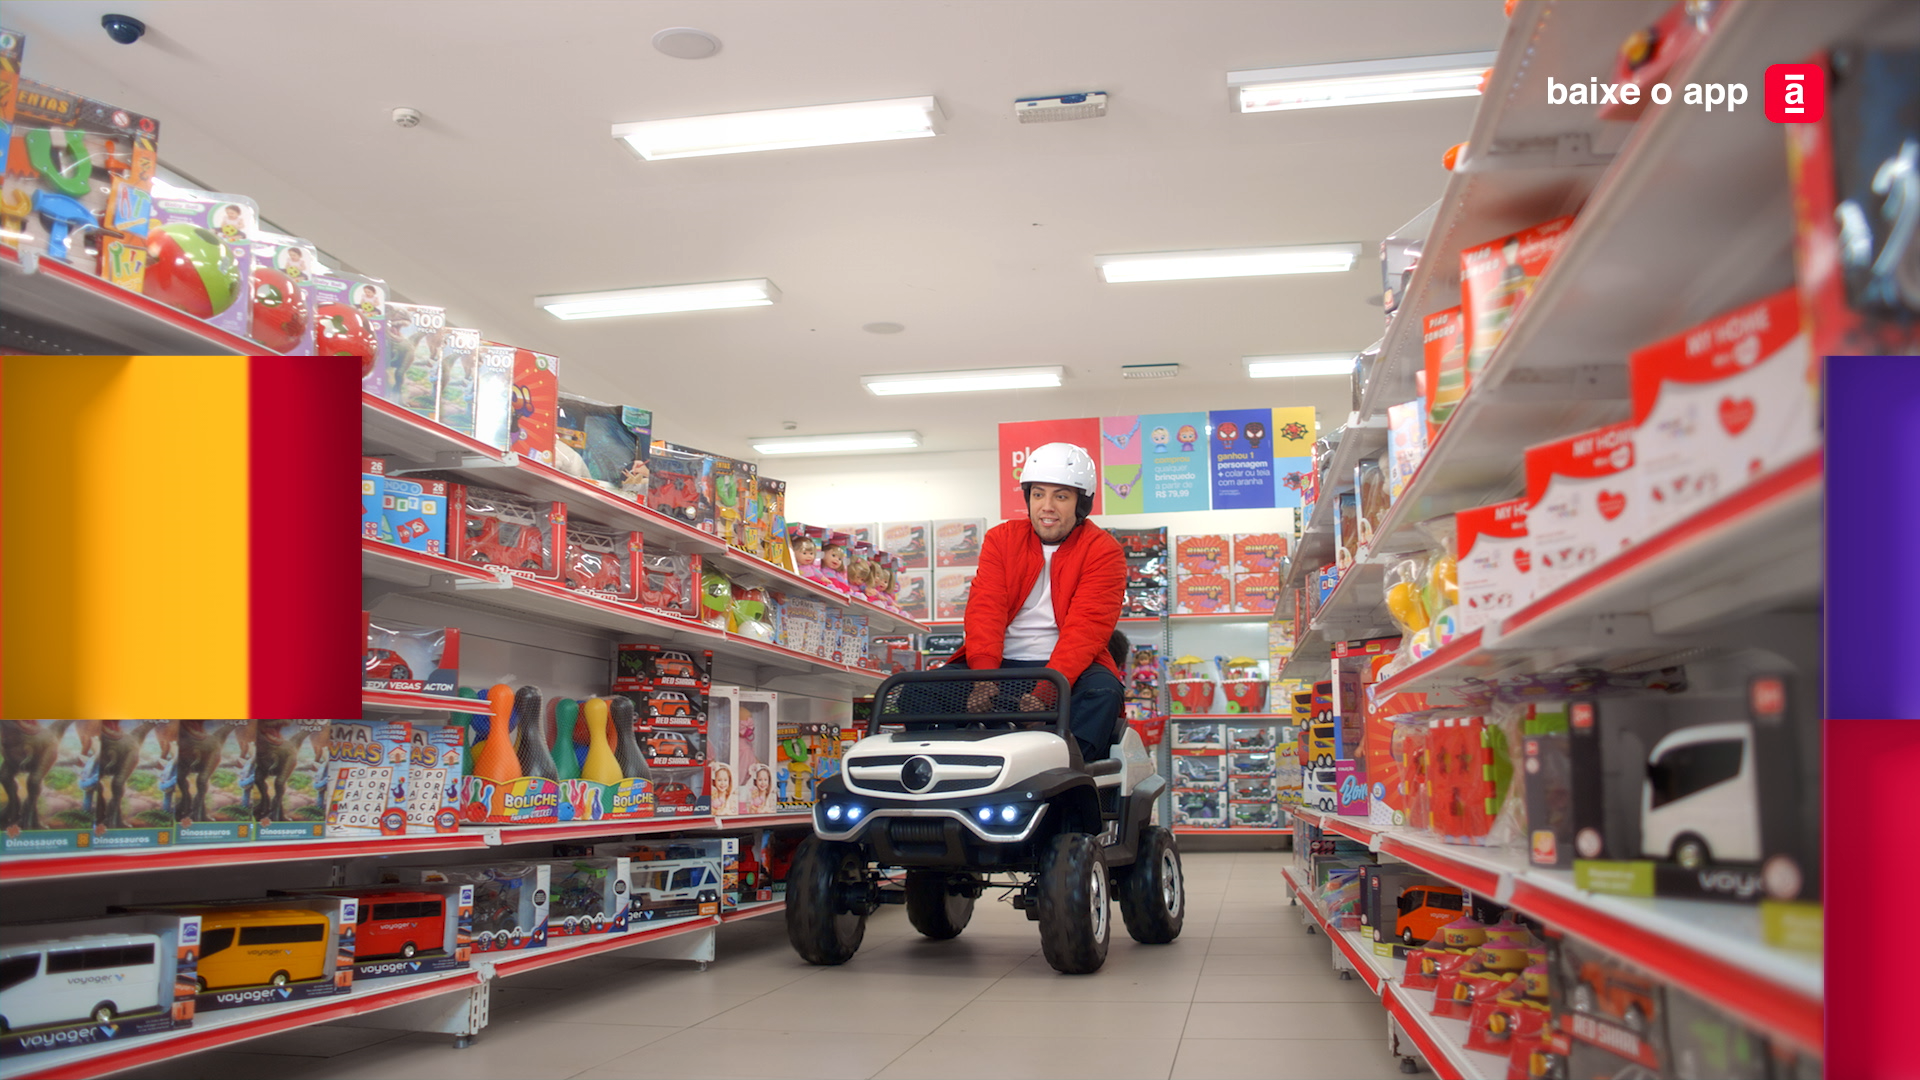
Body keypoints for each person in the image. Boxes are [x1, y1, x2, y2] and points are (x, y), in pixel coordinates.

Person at [943, 442, 1126, 762]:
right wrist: (983, 678)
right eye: (1038, 494)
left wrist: (1047, 692)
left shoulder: (1103, 550)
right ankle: (956, 770)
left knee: (1104, 695)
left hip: (1070, 670)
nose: (1047, 506)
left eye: (1061, 496)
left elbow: (1087, 630)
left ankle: (1064, 775)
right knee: (918, 693)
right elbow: (984, 610)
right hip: (1000, 664)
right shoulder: (1001, 539)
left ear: (1081, 503)